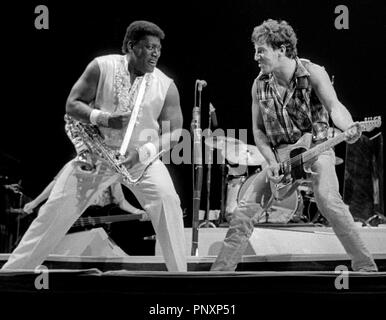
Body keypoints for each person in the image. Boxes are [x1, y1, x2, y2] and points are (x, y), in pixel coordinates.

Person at [2, 20, 187, 271]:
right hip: (96, 155)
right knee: (53, 213)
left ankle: (181, 278)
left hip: (141, 160)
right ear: (132, 46)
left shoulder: (166, 85)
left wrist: (144, 153)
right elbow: (72, 104)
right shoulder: (101, 67)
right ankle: (13, 275)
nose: (156, 53)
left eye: (159, 48)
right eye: (149, 46)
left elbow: (175, 131)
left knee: (168, 200)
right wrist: (103, 118)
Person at [211, 19, 378, 272]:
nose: (256, 56)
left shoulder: (313, 72)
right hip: (280, 158)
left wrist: (348, 127)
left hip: (316, 150)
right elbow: (258, 130)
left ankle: (367, 269)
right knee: (244, 211)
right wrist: (271, 162)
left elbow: (335, 107)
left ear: (282, 49)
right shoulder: (259, 85)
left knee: (327, 200)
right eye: (255, 50)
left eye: (261, 50)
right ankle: (218, 275)